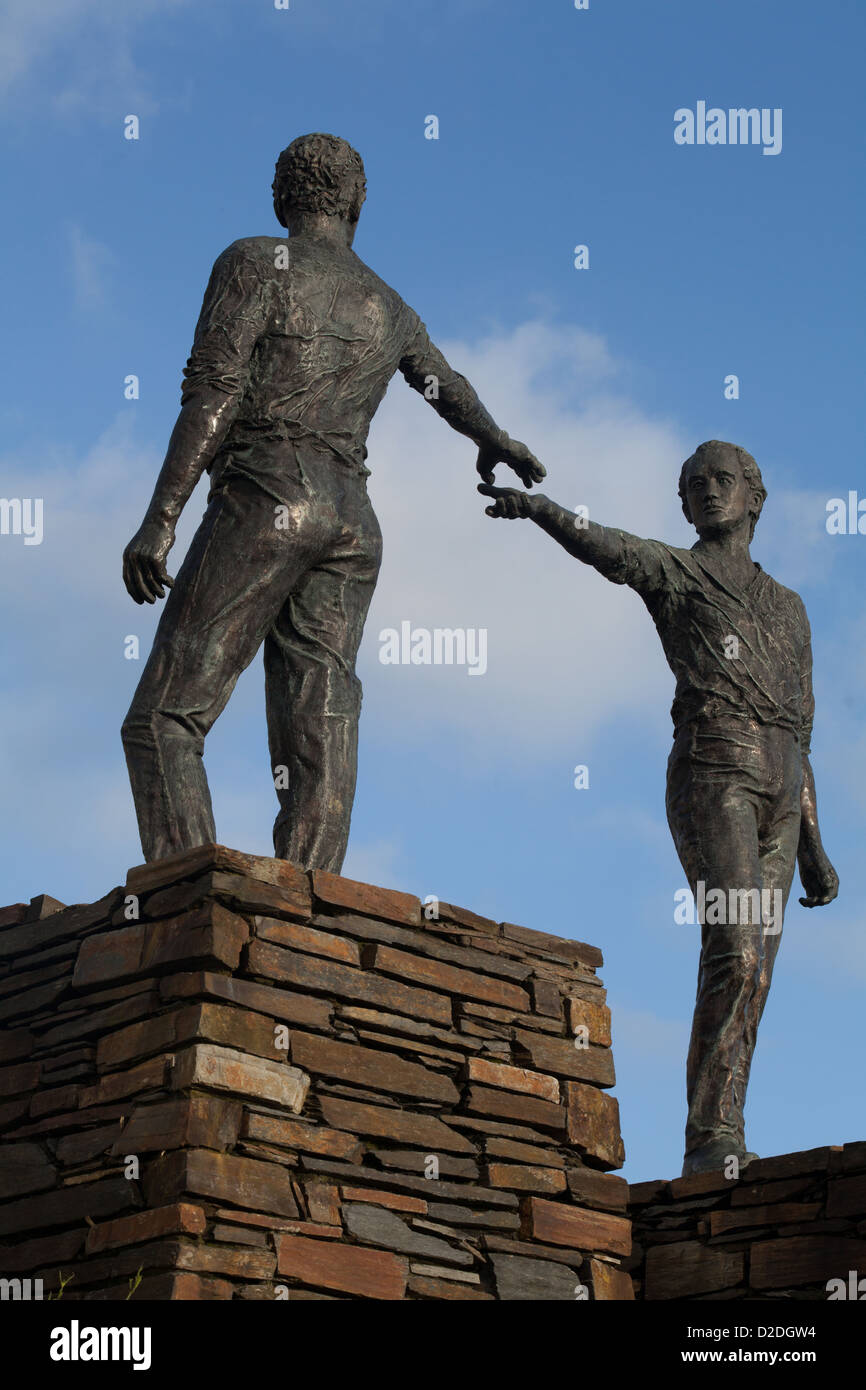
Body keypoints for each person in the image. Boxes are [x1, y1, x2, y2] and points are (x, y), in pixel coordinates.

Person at [121, 132, 543, 871]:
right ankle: (310, 906)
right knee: (319, 720)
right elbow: (444, 383)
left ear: (282, 198)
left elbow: (213, 390)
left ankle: (185, 897)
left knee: (162, 719)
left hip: (268, 496)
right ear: (357, 202)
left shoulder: (255, 262)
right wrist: (496, 438)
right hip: (352, 521)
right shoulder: (390, 305)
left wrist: (161, 520)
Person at [479, 439, 838, 1176]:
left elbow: (800, 727)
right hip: (716, 772)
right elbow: (608, 547)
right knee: (734, 951)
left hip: (781, 788)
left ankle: (724, 1128)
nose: (709, 491)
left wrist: (814, 842)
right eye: (695, 484)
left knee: (758, 972)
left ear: (755, 497)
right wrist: (544, 509)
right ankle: (710, 1141)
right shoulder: (678, 574)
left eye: (724, 480)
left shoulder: (789, 609)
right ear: (683, 504)